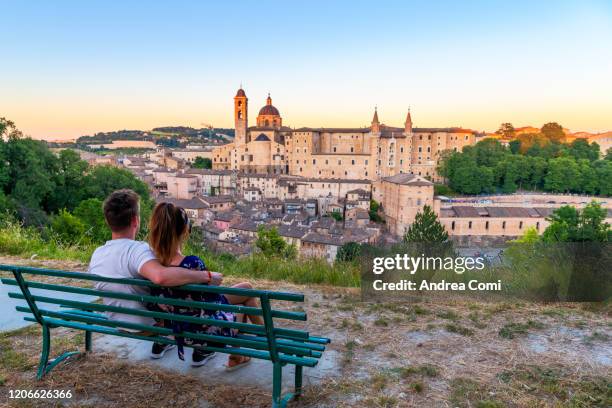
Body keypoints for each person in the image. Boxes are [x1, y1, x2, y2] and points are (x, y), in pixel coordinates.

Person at [88, 189, 222, 362]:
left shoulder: (98, 253)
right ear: (135, 220)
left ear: (108, 221)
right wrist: (206, 276)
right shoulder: (137, 250)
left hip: (116, 320)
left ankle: (165, 343)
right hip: (144, 325)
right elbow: (161, 277)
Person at [147, 201, 263, 370]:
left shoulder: (150, 264)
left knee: (245, 289)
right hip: (200, 333)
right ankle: (262, 341)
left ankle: (247, 348)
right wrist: (212, 278)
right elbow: (213, 303)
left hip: (174, 328)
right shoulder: (192, 264)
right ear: (185, 231)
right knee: (243, 302)